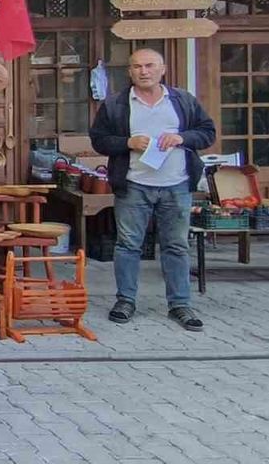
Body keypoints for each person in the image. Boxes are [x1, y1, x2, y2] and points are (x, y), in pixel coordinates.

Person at [89, 48, 216, 331]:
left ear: (163, 69)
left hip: (176, 184)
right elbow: (99, 140)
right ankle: (125, 301)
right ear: (129, 71)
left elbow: (208, 133)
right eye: (137, 66)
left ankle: (180, 304)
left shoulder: (182, 100)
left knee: (176, 245)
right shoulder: (116, 104)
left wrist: (182, 137)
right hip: (133, 185)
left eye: (149, 65)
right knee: (127, 245)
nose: (143, 71)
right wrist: (127, 143)